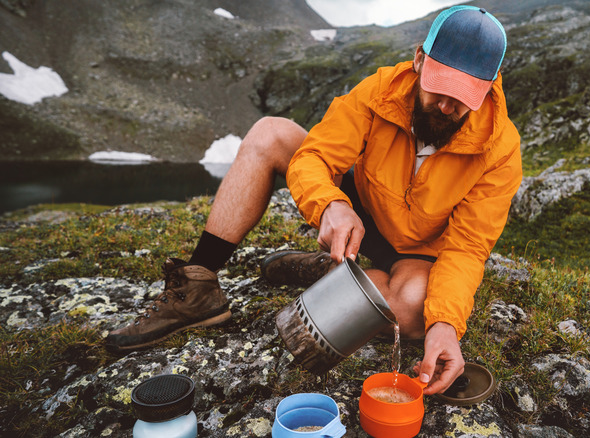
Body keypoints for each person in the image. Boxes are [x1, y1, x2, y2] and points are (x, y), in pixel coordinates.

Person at [106, 5, 523, 395]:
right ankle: (198, 286)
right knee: (271, 134)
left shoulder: (499, 147)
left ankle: (329, 269)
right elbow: (315, 156)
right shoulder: (380, 91)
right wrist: (331, 204)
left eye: (464, 97)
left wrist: (446, 323)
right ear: (418, 61)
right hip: (363, 209)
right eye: (440, 88)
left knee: (416, 314)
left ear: (489, 87)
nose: (448, 105)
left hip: (418, 250)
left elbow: (468, 248)